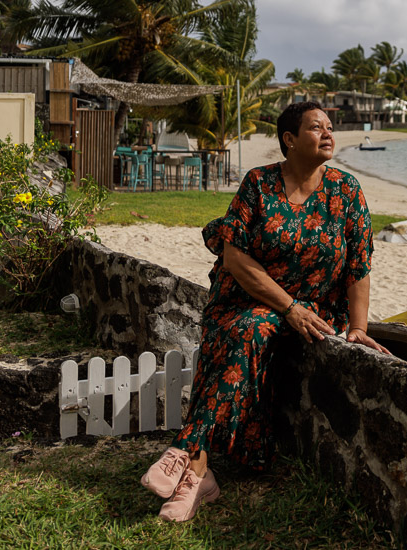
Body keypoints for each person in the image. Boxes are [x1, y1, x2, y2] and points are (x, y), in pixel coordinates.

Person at [140, 100, 390, 522]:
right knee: (251, 327)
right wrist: (286, 306)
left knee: (253, 329)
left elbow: (358, 265)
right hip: (243, 300)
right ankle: (195, 469)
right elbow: (235, 258)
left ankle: (188, 457)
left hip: (310, 309)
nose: (328, 133)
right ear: (289, 140)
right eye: (316, 127)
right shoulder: (259, 183)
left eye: (330, 127)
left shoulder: (347, 192)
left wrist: (359, 327)